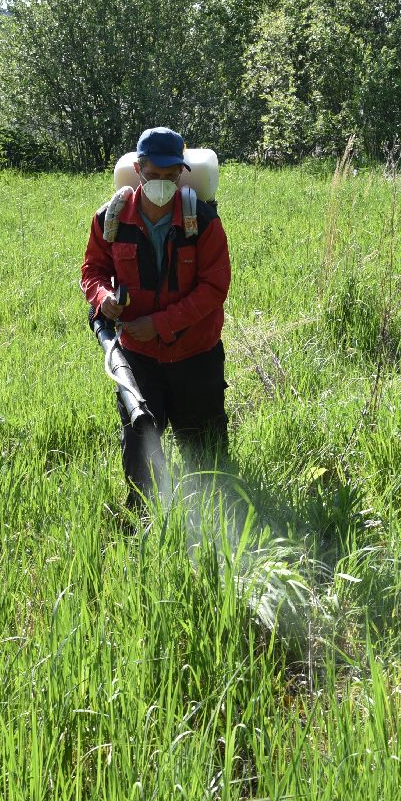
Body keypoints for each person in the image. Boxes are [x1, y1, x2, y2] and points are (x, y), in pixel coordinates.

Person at [81, 127, 230, 512]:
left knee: (206, 451)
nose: (162, 182)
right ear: (138, 169)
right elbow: (93, 270)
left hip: (195, 354)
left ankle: (215, 515)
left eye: (170, 174)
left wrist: (160, 324)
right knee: (139, 441)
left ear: (181, 172)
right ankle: (145, 517)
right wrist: (103, 298)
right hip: (138, 356)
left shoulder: (203, 221)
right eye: (153, 173)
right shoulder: (110, 219)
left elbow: (214, 288)